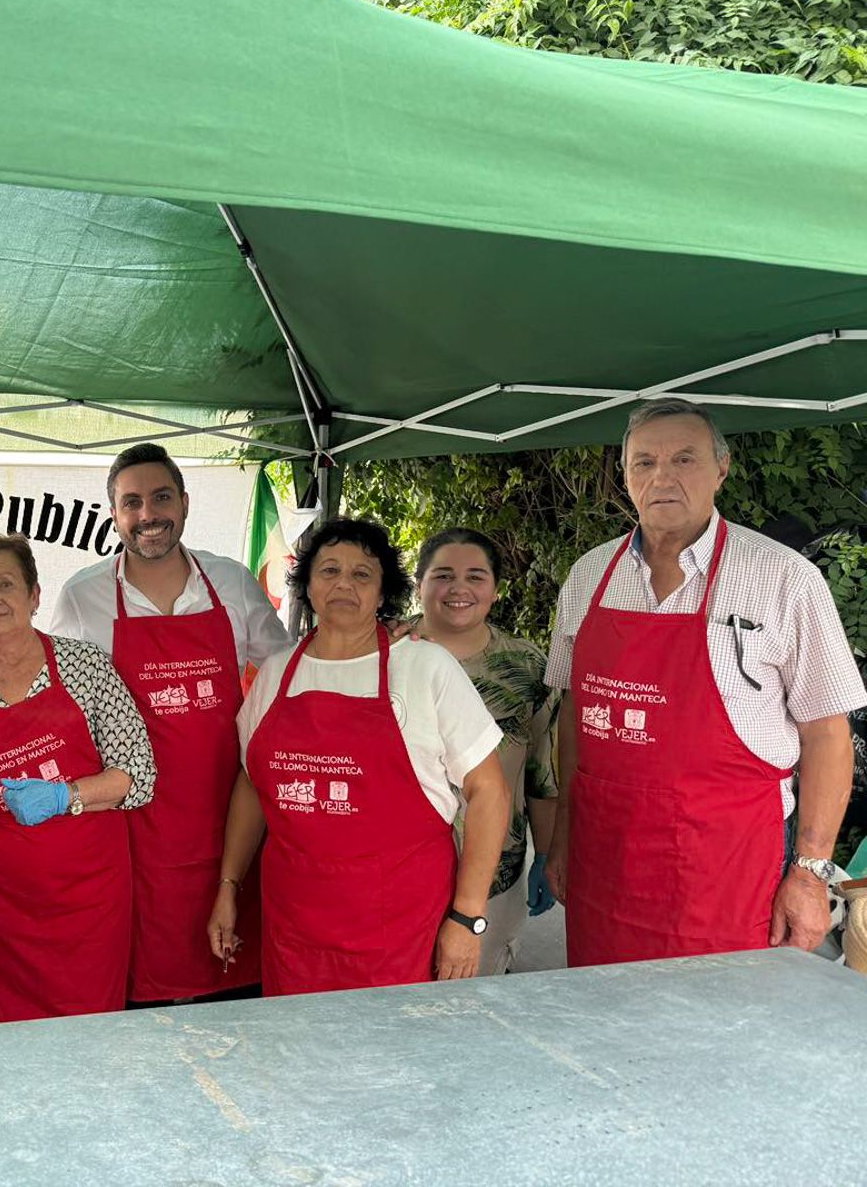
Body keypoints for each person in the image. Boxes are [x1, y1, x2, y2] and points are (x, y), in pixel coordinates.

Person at [0, 443, 290, 1004]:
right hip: (129, 838)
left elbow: (287, 677)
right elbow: (31, 664)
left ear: (185, 502)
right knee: (138, 1002)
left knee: (228, 1002)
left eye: (161, 497)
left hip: (228, 819)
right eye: (132, 503)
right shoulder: (85, 595)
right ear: (115, 514)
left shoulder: (232, 583)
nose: (148, 514)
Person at [544, 400, 865, 966]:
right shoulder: (589, 575)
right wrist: (563, 834)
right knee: (602, 1008)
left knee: (725, 1012)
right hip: (605, 856)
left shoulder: (783, 578)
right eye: (644, 462)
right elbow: (574, 716)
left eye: (684, 459)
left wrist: (810, 873)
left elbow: (827, 735)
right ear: (626, 475)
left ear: (722, 468)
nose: (662, 477)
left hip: (727, 863)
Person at [209, 517, 511, 994]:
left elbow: (489, 790)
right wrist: (229, 885)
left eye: (361, 574)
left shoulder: (424, 666)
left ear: (383, 591)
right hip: (295, 928)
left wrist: (467, 916)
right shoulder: (276, 673)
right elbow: (252, 784)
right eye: (329, 570)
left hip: (402, 929)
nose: (344, 584)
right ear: (307, 585)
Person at [0, 533, 156, 1023]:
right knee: (1, 1037)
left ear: (35, 595)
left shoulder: (85, 665)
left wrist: (65, 795)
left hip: (87, 902)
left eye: (6, 584)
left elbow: (139, 774)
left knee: (88, 1032)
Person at [414, 528, 558, 975]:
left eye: (476, 577)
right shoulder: (385, 653)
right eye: (443, 575)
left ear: (495, 591)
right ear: (418, 585)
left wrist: (547, 855)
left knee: (475, 997)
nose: (459, 588)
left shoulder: (527, 667)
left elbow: (542, 776)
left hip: (495, 875)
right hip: (399, 875)